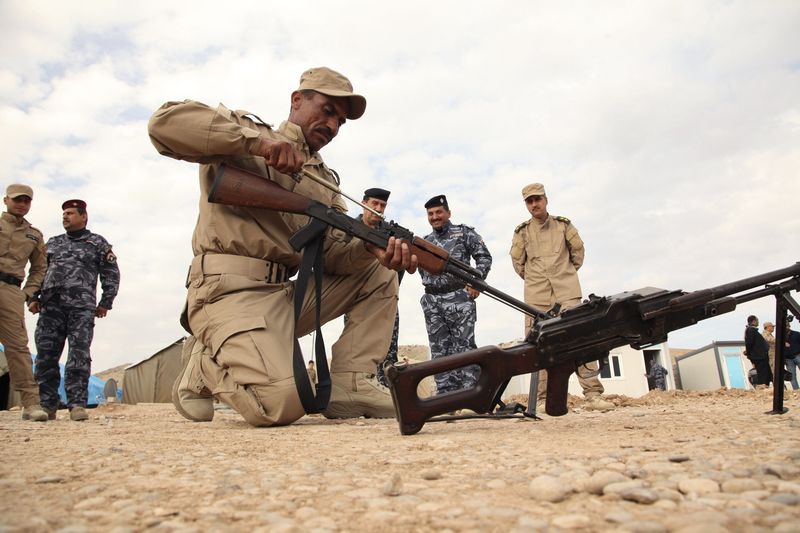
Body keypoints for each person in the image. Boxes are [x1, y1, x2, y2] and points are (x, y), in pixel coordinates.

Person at [148, 66, 416, 427]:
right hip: (227, 293)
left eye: (340, 121)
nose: (333, 126)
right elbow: (164, 124)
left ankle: (349, 384)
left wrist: (370, 250)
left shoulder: (326, 182)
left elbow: (333, 255)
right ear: (296, 100)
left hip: (283, 295)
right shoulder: (246, 133)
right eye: (326, 110)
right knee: (284, 404)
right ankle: (205, 362)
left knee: (381, 268)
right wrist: (257, 144)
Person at [510, 183, 614, 411]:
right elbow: (518, 264)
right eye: (529, 201)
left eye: (538, 199)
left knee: (582, 341)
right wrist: (536, 280)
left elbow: (578, 253)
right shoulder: (522, 232)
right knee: (539, 347)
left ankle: (593, 395)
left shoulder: (563, 226)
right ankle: (541, 398)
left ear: (546, 200)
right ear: (526, 205)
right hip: (536, 298)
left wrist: (564, 274)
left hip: (567, 294)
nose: (534, 204)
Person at [30, 199, 120, 421]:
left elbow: (111, 273)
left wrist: (105, 302)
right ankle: (47, 404)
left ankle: (77, 404)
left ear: (83, 216)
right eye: (64, 214)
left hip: (81, 309)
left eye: (70, 213)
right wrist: (33, 296)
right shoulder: (52, 243)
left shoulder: (97, 243)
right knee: (45, 357)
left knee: (78, 355)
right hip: (51, 307)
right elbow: (39, 271)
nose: (65, 217)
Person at [419, 194, 492, 394]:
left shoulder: (464, 233)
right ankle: (446, 396)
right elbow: (422, 270)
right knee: (439, 351)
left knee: (465, 348)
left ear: (448, 213)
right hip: (433, 301)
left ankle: (471, 394)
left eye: (438, 212)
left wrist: (476, 283)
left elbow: (484, 257)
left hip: (459, 298)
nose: (435, 217)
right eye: (431, 214)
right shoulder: (425, 242)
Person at [0, 184, 49, 422]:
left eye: (26, 201)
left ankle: (30, 404)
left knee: (18, 347)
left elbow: (40, 268)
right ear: (6, 200)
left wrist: (27, 293)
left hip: (11, 291)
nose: (22, 204)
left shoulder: (34, 235)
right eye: (18, 200)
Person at [352, 187, 402, 387]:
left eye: (382, 205)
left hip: (385, 298)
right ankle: (360, 387)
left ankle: (389, 391)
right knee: (357, 343)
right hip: (354, 296)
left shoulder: (391, 233)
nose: (378, 209)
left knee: (389, 348)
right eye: (375, 204)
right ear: (364, 204)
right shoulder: (348, 227)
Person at [744, 315, 771, 387]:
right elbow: (749, 343)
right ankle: (762, 388)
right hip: (759, 357)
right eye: (757, 320)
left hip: (761, 356)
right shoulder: (750, 330)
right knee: (762, 374)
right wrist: (749, 354)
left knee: (767, 373)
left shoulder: (752, 330)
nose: (758, 322)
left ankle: (765, 386)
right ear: (754, 321)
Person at [785, 320, 800, 390]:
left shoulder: (797, 334)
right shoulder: (780, 337)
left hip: (798, 356)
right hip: (788, 359)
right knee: (792, 377)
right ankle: (796, 391)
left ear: (789, 326)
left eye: (786, 326)